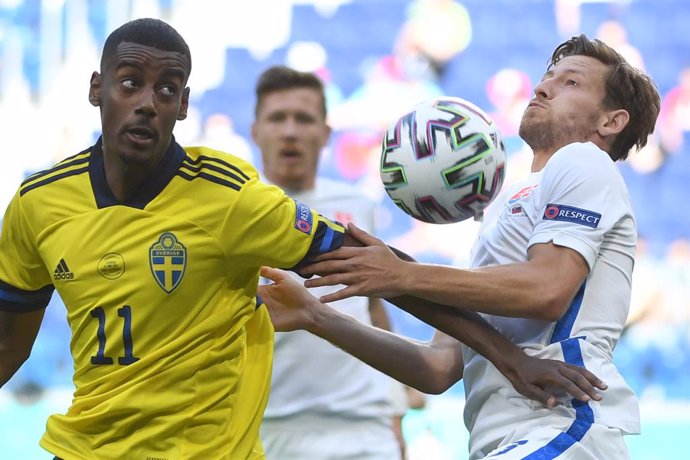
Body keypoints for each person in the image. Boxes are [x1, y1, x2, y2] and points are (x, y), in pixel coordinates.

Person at [261, 34, 661, 459]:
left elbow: (546, 290)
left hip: (562, 425)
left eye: (572, 83)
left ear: (611, 122)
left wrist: (402, 273)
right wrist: (314, 315)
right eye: (547, 77)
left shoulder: (583, 161)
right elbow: (436, 367)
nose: (543, 88)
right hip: (505, 438)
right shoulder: (507, 207)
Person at [0, 18, 350, 459]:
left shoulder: (230, 198)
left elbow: (363, 259)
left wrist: (449, 311)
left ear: (183, 105)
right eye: (130, 83)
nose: (147, 103)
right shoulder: (39, 204)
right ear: (96, 89)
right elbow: (8, 344)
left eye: (167, 90)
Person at [251, 65, 405, 460]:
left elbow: (373, 305)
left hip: (364, 429)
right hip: (268, 430)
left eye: (303, 119)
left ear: (324, 134)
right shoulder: (233, 215)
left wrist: (395, 410)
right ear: (256, 131)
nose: (290, 130)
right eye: (277, 118)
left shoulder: (356, 209)